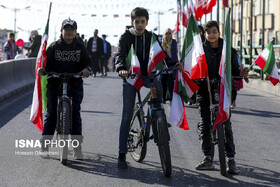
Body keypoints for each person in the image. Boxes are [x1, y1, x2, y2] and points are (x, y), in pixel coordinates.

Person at [115, 7, 168, 169]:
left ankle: (158, 112)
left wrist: (174, 64)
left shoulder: (151, 36)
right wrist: (121, 68)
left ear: (146, 22)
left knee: (158, 82)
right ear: (132, 22)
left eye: (142, 21)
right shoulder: (125, 37)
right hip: (131, 76)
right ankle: (122, 154)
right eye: (136, 22)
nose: (139, 24)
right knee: (126, 115)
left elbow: (162, 54)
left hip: (147, 76)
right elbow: (120, 55)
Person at [195, 21, 248, 174]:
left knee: (226, 123)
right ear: (204, 34)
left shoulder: (228, 50)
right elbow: (193, 68)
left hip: (223, 91)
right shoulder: (200, 49)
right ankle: (207, 158)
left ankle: (231, 159)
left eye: (214, 31)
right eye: (208, 32)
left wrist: (240, 73)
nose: (211, 35)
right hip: (204, 90)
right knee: (205, 123)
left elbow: (235, 70)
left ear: (219, 32)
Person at [37, 18, 91, 160]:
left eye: (71, 30)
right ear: (61, 31)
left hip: (75, 84)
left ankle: (77, 149)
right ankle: (45, 145)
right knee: (52, 113)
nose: (68, 32)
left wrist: (86, 70)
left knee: (75, 115)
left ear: (75, 32)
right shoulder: (53, 47)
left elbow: (88, 63)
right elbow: (46, 64)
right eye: (66, 29)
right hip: (55, 83)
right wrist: (43, 69)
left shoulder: (80, 46)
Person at [160, 28, 178, 103]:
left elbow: (176, 53)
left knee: (171, 84)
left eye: (169, 33)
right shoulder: (161, 44)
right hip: (163, 67)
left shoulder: (174, 43)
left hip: (172, 66)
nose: (168, 35)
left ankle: (172, 99)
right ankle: (163, 98)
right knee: (163, 84)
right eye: (166, 34)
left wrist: (177, 62)